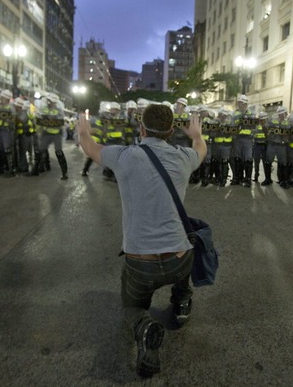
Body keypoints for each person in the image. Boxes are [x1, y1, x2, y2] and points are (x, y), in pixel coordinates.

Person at [77, 103, 206, 378]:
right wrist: (196, 134)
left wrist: (84, 130)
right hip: (178, 261)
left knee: (132, 306)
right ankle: (182, 302)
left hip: (141, 264)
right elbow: (201, 150)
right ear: (171, 132)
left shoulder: (124, 156)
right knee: (188, 249)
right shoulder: (185, 157)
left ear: (142, 129)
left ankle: (144, 328)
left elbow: (90, 148)